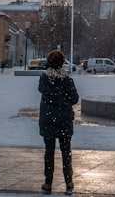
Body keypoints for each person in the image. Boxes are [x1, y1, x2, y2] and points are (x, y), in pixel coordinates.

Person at [38, 49, 79, 195]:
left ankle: (48, 182)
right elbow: (74, 98)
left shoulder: (44, 79)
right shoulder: (67, 80)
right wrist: (64, 101)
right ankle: (68, 181)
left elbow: (42, 90)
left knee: (49, 152)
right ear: (62, 63)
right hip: (64, 120)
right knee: (66, 151)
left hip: (48, 119)